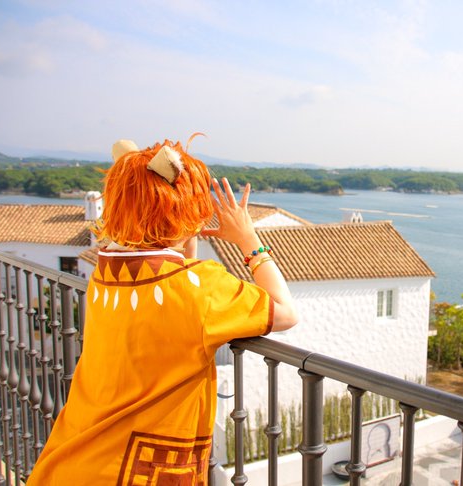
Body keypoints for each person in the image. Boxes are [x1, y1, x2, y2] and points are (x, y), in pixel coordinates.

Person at [28, 138, 298, 485]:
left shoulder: (104, 276)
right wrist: (250, 241)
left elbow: (170, 273)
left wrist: (184, 229)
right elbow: (285, 312)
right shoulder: (200, 287)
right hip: (133, 474)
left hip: (70, 458)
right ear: (188, 213)